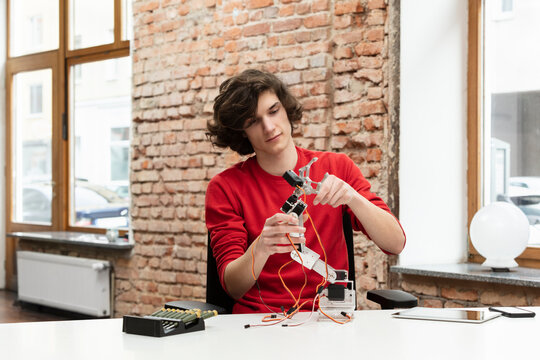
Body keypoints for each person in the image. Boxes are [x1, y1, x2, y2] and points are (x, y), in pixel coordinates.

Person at [205, 69, 405, 314]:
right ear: (241, 132)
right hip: (258, 323)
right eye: (252, 121)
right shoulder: (225, 187)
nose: (269, 127)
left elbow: (396, 243)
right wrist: (261, 247)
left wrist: (353, 198)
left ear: (286, 109)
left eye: (273, 110)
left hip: (328, 318)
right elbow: (232, 288)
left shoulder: (337, 167)